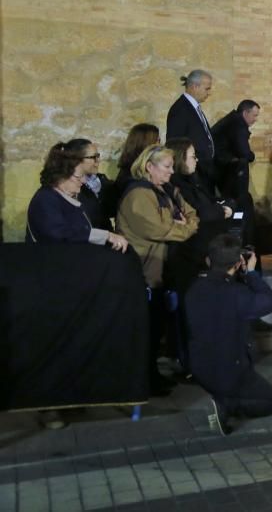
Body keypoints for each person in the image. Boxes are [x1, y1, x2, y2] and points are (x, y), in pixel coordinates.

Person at [116, 144, 200, 395]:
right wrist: (183, 227)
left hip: (162, 270)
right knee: (147, 330)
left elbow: (192, 214)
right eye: (166, 167)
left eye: (172, 166)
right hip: (144, 271)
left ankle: (152, 375)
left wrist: (184, 224)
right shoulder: (139, 195)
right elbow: (158, 229)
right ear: (149, 167)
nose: (171, 172)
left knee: (157, 328)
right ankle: (144, 379)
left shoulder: (166, 191)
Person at [185, 234, 272, 436]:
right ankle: (225, 405)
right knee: (268, 402)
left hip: (199, 366)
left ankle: (221, 397)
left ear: (209, 260)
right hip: (230, 369)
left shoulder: (194, 289)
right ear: (238, 264)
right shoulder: (236, 293)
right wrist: (252, 273)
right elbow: (269, 302)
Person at [26, 142, 129, 252]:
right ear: (61, 177)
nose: (84, 180)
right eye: (79, 176)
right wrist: (105, 236)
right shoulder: (45, 199)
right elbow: (58, 235)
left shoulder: (72, 196)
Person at [164, 137, 234, 292]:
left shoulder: (192, 179)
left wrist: (226, 205)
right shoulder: (177, 185)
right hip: (193, 252)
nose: (196, 160)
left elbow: (209, 200)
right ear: (180, 158)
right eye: (192, 156)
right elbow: (197, 212)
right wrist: (221, 210)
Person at [212, 99, 260, 244]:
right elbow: (244, 152)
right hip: (230, 176)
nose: (255, 119)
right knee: (238, 210)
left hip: (223, 173)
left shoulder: (232, 120)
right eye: (254, 115)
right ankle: (240, 242)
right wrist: (251, 156)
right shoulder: (238, 125)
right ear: (245, 112)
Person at [166, 70, 216, 193]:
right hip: (193, 174)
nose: (209, 93)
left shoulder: (193, 107)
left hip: (203, 171)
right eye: (207, 89)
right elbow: (176, 144)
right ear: (195, 86)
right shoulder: (181, 109)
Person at [64, 138, 115, 231]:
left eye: (98, 156)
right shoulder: (69, 188)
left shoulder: (102, 181)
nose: (98, 160)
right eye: (93, 157)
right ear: (77, 160)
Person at [114, 124, 160, 195]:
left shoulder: (140, 168)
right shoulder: (132, 175)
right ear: (146, 144)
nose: (160, 145)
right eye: (157, 141)